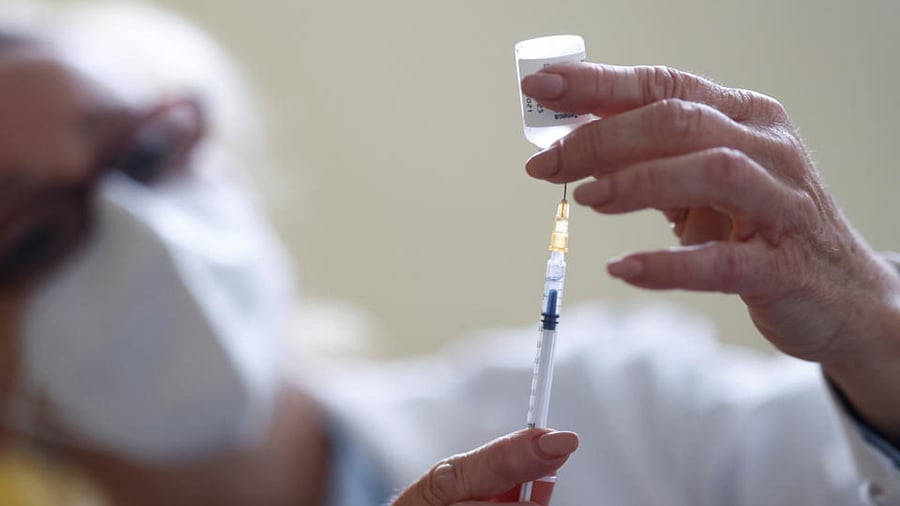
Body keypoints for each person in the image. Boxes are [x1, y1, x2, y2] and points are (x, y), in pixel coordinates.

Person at [0, 3, 898, 506]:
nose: (142, 234)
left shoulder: (623, 412)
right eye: (32, 237)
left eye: (149, 152)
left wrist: (875, 333)